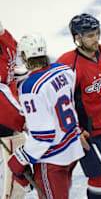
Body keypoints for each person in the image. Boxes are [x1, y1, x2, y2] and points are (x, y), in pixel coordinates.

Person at [7, 34, 84, 199]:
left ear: (24, 56)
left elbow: (44, 136)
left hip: (52, 159)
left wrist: (21, 157)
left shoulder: (30, 88)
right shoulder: (64, 70)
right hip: (72, 147)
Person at [56, 13, 101, 199]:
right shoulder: (67, 63)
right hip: (89, 132)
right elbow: (61, 101)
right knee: (99, 178)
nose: (95, 39)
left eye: (97, 33)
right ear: (77, 38)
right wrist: (76, 130)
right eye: (90, 35)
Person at [0, 20, 26, 199]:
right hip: (8, 115)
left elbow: (18, 71)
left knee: (15, 166)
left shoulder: (7, 39)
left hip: (10, 114)